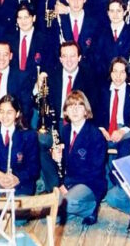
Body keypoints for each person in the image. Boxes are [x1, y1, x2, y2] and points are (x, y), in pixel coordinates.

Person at [35, 41, 96, 192]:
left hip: (79, 125)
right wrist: (37, 87)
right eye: (64, 56)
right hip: (55, 124)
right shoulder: (51, 76)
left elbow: (94, 107)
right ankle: (55, 187)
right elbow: (36, 103)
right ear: (60, 59)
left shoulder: (90, 77)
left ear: (79, 57)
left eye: (73, 56)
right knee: (40, 140)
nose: (69, 60)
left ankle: (65, 186)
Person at [52, 90, 107, 225]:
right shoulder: (65, 131)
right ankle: (71, 208)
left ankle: (92, 208)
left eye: (79, 106)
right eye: (71, 106)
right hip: (71, 181)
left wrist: (66, 185)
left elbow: (94, 171)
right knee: (52, 202)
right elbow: (66, 162)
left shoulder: (95, 135)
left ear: (85, 110)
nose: (75, 110)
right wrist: (56, 156)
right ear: (65, 112)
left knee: (67, 203)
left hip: (90, 183)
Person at [0, 95, 39, 196]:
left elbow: (34, 167)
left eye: (9, 112)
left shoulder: (29, 135)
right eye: (2, 112)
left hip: (20, 182)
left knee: (18, 206)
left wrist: (17, 178)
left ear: (17, 114)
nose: (5, 116)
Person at [95, 57, 130, 146]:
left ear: (127, 74)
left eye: (122, 72)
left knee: (126, 144)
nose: (118, 76)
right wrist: (102, 130)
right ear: (110, 73)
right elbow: (95, 114)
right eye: (115, 71)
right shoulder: (101, 90)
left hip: (127, 128)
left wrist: (122, 131)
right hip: (105, 128)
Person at [93, 0, 130, 81]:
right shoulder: (100, 33)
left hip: (127, 81)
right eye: (112, 11)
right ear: (108, 13)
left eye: (118, 11)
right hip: (104, 81)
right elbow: (96, 58)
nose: (115, 15)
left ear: (125, 12)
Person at [48, 0, 98, 66]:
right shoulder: (57, 21)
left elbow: (96, 51)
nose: (76, 3)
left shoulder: (94, 23)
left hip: (88, 70)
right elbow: (54, 49)